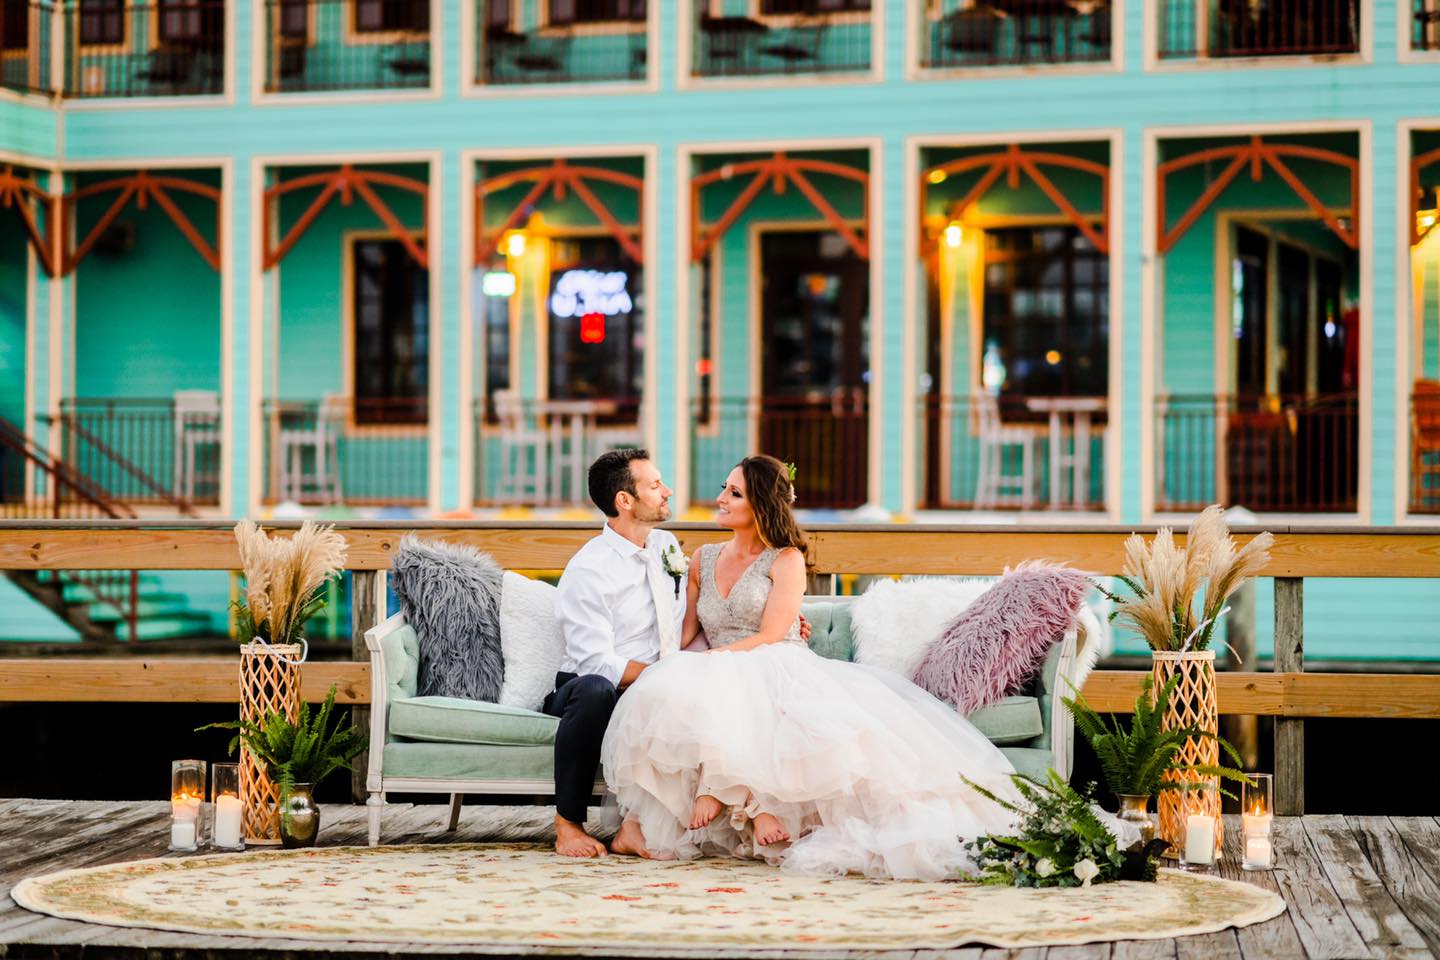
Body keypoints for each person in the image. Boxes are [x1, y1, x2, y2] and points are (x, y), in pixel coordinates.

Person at [600, 455, 1022, 880]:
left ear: (760, 505)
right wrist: (669, 658)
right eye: (724, 489)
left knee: (760, 699)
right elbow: (685, 632)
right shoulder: (701, 559)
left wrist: (715, 660)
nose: (720, 499)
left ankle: (745, 800)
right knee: (674, 689)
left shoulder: (785, 559)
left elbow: (771, 633)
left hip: (774, 657)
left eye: (734, 493)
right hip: (722, 663)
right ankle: (715, 805)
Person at [545, 447, 810, 858]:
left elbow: (695, 620)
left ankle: (658, 821)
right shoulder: (590, 569)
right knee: (598, 689)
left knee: (720, 695)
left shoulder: (665, 546)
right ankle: (567, 825)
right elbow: (596, 663)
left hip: (663, 673)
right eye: (655, 485)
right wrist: (671, 674)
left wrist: (782, 624)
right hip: (591, 686)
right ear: (625, 500)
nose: (668, 490)